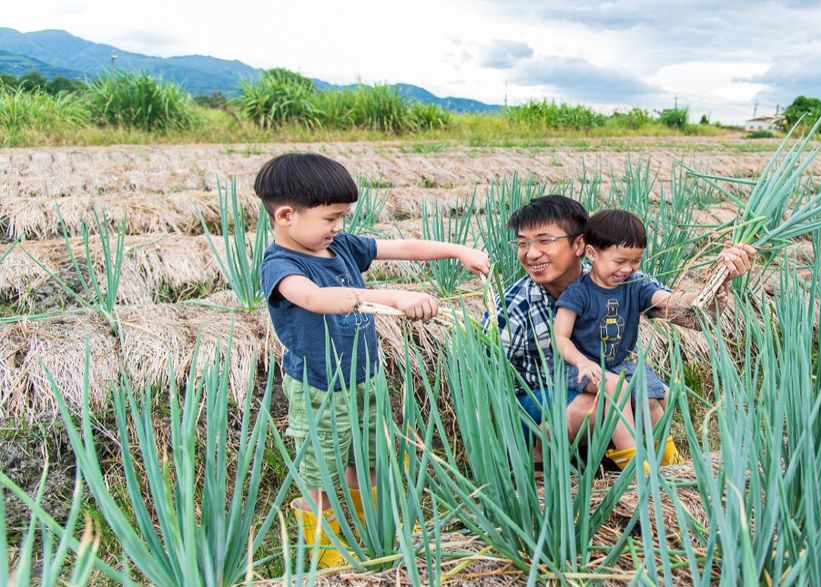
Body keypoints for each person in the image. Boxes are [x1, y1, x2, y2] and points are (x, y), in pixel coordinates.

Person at [256, 153, 488, 567]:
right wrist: (393, 297)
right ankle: (326, 553)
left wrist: (457, 250)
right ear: (287, 216)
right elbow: (317, 299)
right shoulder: (281, 266)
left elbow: (404, 247)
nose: (339, 227)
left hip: (365, 377)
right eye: (330, 218)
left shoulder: (340, 246)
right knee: (322, 471)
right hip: (319, 388)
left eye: (342, 217)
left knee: (371, 456)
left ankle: (375, 528)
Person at [488, 195, 754, 470]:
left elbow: (689, 315)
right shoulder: (513, 306)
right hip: (537, 402)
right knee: (602, 402)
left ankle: (658, 464)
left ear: (580, 245)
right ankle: (542, 457)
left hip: (596, 380)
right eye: (523, 243)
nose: (531, 253)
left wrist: (721, 279)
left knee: (656, 392)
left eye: (544, 241)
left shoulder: (615, 276)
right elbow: (484, 379)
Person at [553, 209, 691, 469]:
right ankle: (634, 464)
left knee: (657, 396)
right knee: (618, 388)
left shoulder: (635, 285)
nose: (628, 269)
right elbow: (560, 337)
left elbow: (665, 301)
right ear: (592, 253)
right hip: (578, 367)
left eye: (635, 261)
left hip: (620, 365)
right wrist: (582, 362)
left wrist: (711, 287)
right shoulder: (578, 293)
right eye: (620, 261)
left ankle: (666, 459)